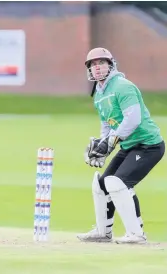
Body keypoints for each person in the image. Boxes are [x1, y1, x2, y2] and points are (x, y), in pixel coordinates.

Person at [78, 48, 165, 244]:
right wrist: (103, 146)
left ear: (111, 65)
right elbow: (107, 124)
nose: (97, 67)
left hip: (148, 145)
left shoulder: (123, 86)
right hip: (129, 146)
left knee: (118, 183)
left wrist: (112, 139)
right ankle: (103, 232)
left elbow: (133, 119)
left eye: (102, 63)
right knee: (101, 185)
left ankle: (136, 234)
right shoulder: (99, 94)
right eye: (93, 64)